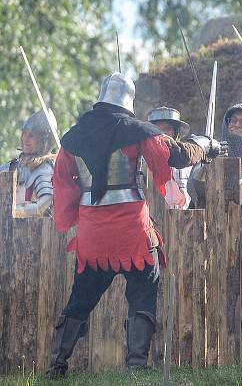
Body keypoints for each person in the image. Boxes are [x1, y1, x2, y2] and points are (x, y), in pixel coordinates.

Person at [46, 72, 225, 378]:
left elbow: (62, 184)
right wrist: (204, 145)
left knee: (80, 298)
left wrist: (71, 217)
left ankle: (56, 367)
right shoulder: (137, 130)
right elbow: (175, 157)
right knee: (144, 287)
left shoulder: (72, 137)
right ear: (129, 101)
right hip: (132, 232)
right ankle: (137, 367)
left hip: (92, 236)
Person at [0, 109, 58, 217]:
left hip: (31, 231)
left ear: (43, 140)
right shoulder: (15, 165)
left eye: (31, 136)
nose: (26, 139)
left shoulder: (46, 169)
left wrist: (11, 211)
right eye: (24, 134)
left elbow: (42, 206)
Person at [147, 106, 192, 209]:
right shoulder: (142, 161)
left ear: (175, 132)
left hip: (183, 219)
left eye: (167, 129)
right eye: (157, 129)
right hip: (151, 220)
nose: (163, 133)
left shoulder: (188, 161)